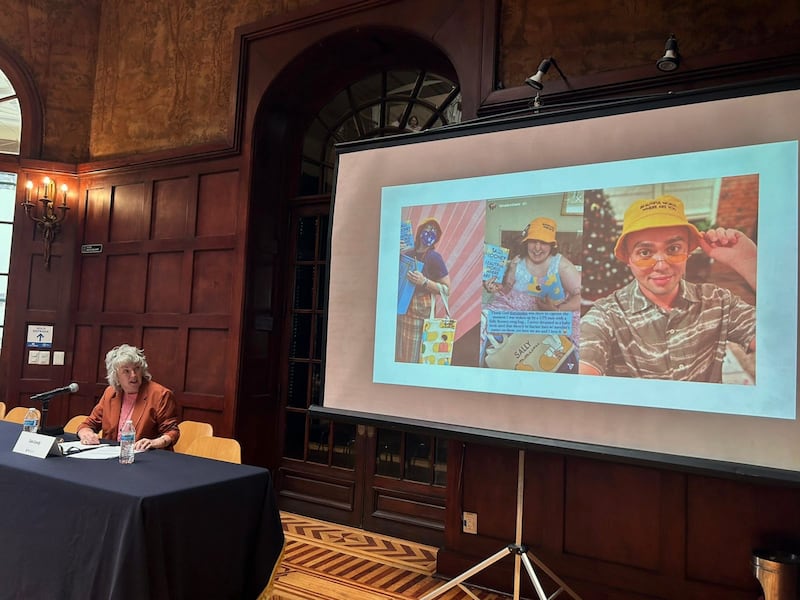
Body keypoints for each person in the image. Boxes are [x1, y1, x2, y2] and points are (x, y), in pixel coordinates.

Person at [579, 195, 757, 382]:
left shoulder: (718, 301)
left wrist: (751, 265)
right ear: (628, 258)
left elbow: (782, 345)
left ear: (688, 251)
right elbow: (581, 373)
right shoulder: (607, 315)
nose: (662, 266)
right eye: (645, 252)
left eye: (673, 249)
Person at [481, 217, 582, 367]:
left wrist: (556, 310)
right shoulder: (517, 261)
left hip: (550, 313)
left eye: (543, 242)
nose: (537, 247)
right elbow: (507, 289)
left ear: (552, 245)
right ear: (526, 242)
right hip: (515, 309)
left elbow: (580, 296)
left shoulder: (562, 265)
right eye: (533, 241)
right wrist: (494, 287)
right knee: (484, 321)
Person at [77, 344, 180, 450]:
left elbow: (172, 432)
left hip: (147, 457)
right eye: (126, 371)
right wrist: (86, 433)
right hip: (113, 456)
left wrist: (154, 442)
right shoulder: (111, 392)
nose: (134, 375)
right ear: (116, 375)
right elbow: (89, 424)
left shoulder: (160, 395)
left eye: (137, 369)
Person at [396, 218, 451, 363]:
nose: (430, 233)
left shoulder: (434, 257)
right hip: (401, 312)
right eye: (428, 228)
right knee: (402, 355)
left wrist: (424, 282)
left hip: (419, 314)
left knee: (415, 357)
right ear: (420, 231)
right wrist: (393, 255)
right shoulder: (407, 253)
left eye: (434, 231)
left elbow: (446, 289)